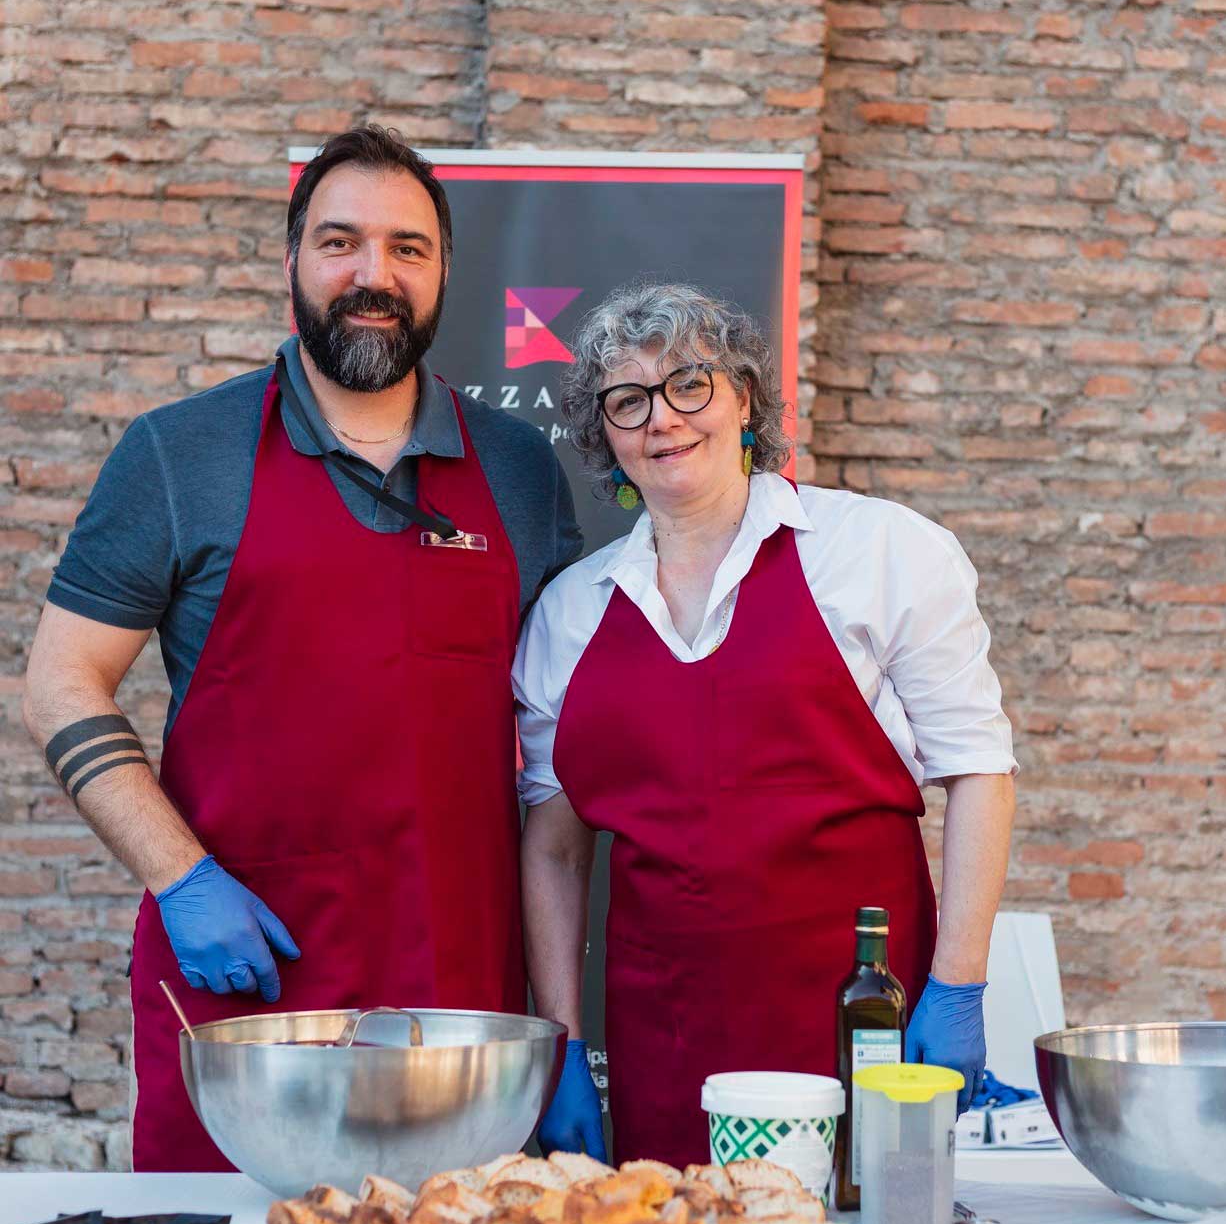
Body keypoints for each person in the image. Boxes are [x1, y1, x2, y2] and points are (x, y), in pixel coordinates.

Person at [22, 125, 581, 1171]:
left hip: (460, 1006)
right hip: (250, 1006)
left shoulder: (518, 470)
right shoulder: (178, 453)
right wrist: (180, 878)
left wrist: (561, 1026)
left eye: (407, 249)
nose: (374, 275)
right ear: (291, 262)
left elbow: (562, 757)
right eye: (340, 243)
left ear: (444, 272)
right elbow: (60, 684)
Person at [515, 283, 1016, 1166]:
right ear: (606, 436)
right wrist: (558, 1040)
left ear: (745, 398)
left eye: (688, 384)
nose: (662, 419)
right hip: (663, 1036)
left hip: (858, 1019)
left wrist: (958, 982)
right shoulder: (568, 612)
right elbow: (555, 846)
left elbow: (977, 768)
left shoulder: (878, 551)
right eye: (627, 401)